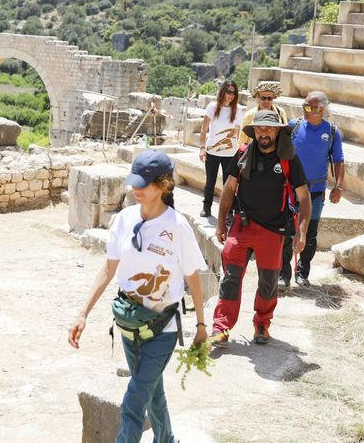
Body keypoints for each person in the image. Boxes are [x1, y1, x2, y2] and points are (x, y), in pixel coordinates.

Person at [68, 150, 208, 443]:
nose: (136, 189)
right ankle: (167, 439)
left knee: (134, 400)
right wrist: (83, 313)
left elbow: (193, 276)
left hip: (162, 327)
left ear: (164, 185)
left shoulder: (177, 227)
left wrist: (201, 326)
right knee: (151, 389)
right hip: (129, 324)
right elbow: (107, 270)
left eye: (143, 184)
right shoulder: (124, 219)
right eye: (135, 182)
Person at [210, 110, 311, 346]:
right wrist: (221, 220)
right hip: (242, 226)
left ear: (277, 131)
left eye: (269, 128)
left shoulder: (289, 159)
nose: (264, 132)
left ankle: (262, 324)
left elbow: (304, 197)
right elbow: (229, 187)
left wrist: (302, 232)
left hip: (273, 231)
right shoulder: (243, 154)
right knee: (230, 279)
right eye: (259, 128)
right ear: (254, 131)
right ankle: (221, 327)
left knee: (268, 281)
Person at [279, 91, 345, 289]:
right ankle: (283, 274)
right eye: (304, 106)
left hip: (315, 190)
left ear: (321, 110)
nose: (305, 110)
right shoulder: (293, 126)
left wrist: (338, 186)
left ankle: (303, 272)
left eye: (310, 107)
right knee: (287, 232)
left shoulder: (332, 132)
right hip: (291, 189)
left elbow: (339, 160)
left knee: (310, 233)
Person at [199, 79, 243, 218]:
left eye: (234, 93)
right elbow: (204, 128)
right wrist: (201, 148)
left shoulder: (238, 109)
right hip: (212, 151)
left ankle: (228, 212)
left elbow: (237, 131)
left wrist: (238, 150)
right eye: (229, 92)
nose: (231, 95)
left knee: (228, 184)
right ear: (223, 91)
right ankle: (206, 207)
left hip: (230, 153)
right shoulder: (212, 107)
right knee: (210, 181)